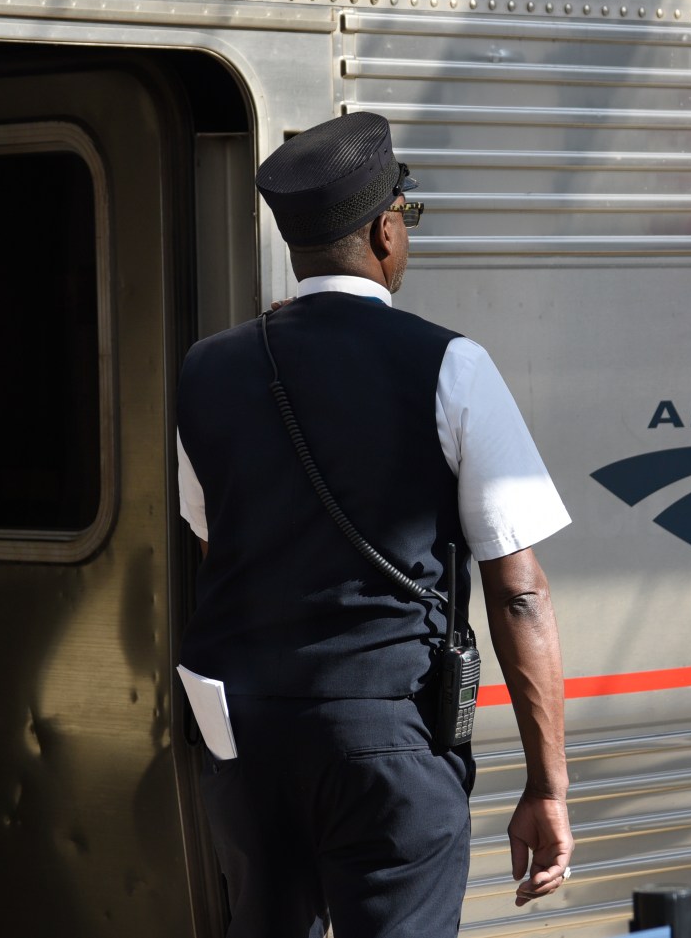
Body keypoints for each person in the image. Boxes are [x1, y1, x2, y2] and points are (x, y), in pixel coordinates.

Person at [174, 111, 573, 938]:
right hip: (387, 740)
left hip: (247, 739)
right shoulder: (451, 365)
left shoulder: (207, 368)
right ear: (386, 231)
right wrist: (547, 785)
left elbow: (217, 548)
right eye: (406, 217)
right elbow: (519, 592)